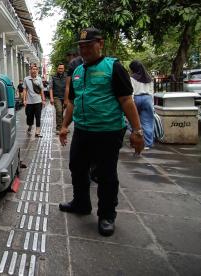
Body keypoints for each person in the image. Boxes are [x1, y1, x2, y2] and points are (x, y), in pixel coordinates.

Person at [58, 28, 144, 236]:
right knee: (77, 167)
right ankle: (81, 203)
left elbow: (126, 100)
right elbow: (73, 102)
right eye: (81, 47)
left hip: (107, 131)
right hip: (83, 130)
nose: (84, 50)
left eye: (89, 45)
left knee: (105, 175)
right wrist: (64, 126)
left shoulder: (113, 67)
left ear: (100, 43)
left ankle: (106, 215)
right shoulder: (78, 72)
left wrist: (137, 131)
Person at [129, 60, 154, 150]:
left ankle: (134, 142)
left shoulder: (132, 78)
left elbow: (131, 91)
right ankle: (147, 144)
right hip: (147, 99)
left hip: (136, 99)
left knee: (134, 121)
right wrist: (152, 104)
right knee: (147, 122)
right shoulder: (149, 78)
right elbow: (151, 92)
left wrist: (131, 102)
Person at [23, 64, 46, 137]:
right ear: (30, 70)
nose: (34, 71)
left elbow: (41, 90)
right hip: (29, 102)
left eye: (36, 69)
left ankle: (37, 132)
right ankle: (30, 126)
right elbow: (25, 90)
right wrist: (24, 100)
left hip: (38, 101)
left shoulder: (39, 79)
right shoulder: (26, 79)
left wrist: (43, 100)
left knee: (38, 116)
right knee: (29, 116)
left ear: (37, 71)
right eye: (33, 69)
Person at [49, 63, 66, 134]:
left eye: (62, 68)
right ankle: (59, 128)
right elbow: (50, 88)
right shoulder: (53, 77)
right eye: (59, 68)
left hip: (65, 98)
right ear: (57, 69)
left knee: (62, 112)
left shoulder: (67, 76)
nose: (60, 70)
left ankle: (64, 127)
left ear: (64, 69)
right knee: (59, 111)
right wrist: (51, 98)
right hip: (56, 97)